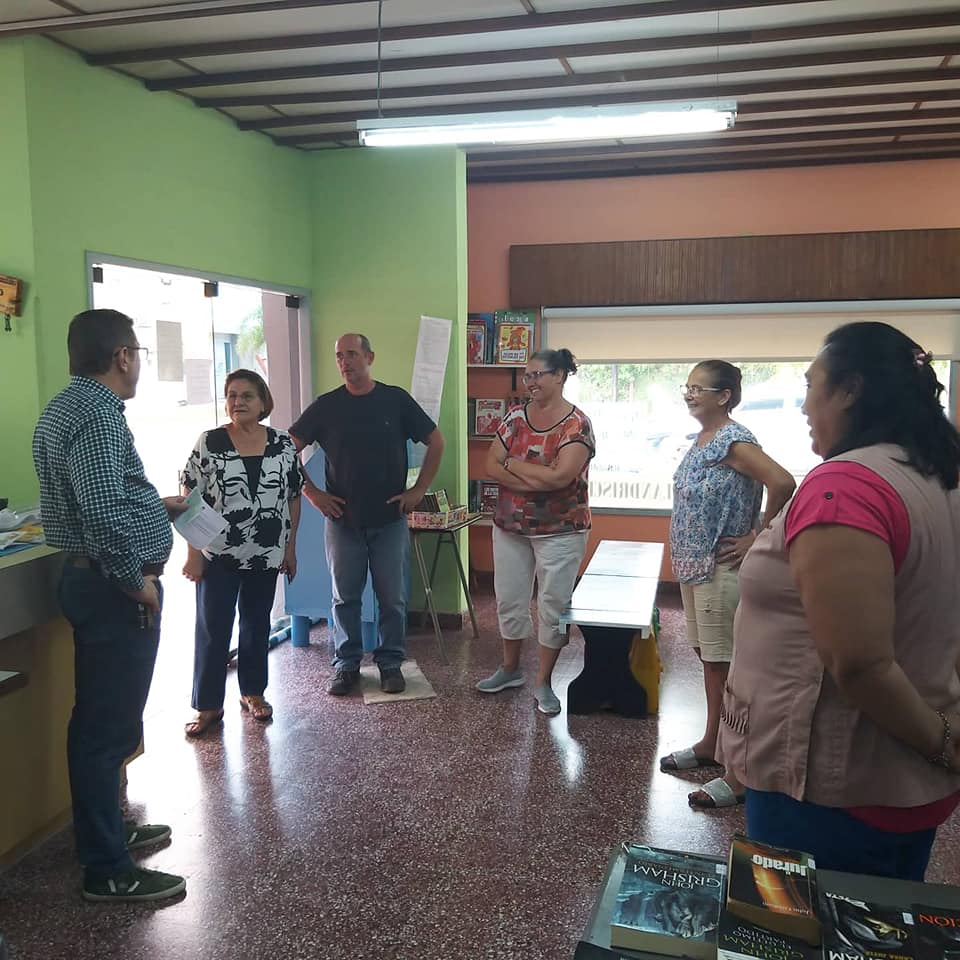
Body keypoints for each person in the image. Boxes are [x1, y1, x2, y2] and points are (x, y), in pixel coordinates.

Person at [718, 322, 960, 880]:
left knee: (804, 917)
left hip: (831, 781)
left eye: (811, 386)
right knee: (881, 915)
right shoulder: (934, 474)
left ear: (850, 390)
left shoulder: (843, 489)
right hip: (899, 773)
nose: (805, 406)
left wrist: (943, 745)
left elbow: (860, 664)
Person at [32, 309, 188, 903]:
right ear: (123, 356)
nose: (138, 362)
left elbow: (97, 498)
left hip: (93, 584)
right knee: (105, 730)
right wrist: (134, 583)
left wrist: (152, 506)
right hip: (111, 590)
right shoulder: (97, 415)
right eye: (138, 352)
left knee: (101, 722)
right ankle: (107, 868)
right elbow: (99, 511)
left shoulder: (64, 408)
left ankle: (104, 833)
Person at [660, 361, 795, 810]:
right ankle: (711, 744)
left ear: (724, 396)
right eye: (687, 386)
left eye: (699, 388)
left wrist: (760, 534)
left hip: (721, 569)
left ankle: (738, 773)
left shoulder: (734, 440)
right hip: (694, 566)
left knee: (731, 668)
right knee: (711, 661)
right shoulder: (703, 439)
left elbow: (782, 482)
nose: (689, 394)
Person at [289, 333, 444, 696]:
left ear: (370, 357)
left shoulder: (395, 400)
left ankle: (390, 663)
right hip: (342, 521)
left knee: (392, 598)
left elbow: (436, 441)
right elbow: (286, 450)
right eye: (339, 356)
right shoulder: (326, 406)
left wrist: (418, 490)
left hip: (389, 518)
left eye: (352, 354)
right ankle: (346, 665)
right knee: (345, 597)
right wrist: (312, 493)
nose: (345, 362)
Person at [180, 369, 303, 737]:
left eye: (247, 395)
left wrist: (290, 548)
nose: (238, 402)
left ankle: (253, 692)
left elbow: (293, 497)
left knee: (256, 624)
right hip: (218, 553)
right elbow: (189, 497)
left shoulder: (282, 444)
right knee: (212, 628)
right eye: (232, 395)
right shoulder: (210, 442)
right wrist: (193, 553)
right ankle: (208, 705)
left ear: (263, 401)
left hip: (266, 552)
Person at [476, 348, 595, 716]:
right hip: (510, 527)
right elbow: (491, 464)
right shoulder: (515, 417)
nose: (530, 382)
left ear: (559, 376)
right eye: (527, 376)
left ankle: (543, 682)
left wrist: (513, 465)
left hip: (560, 531)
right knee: (509, 599)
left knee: (553, 605)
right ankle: (510, 669)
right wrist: (534, 476)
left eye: (537, 375)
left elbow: (561, 477)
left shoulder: (576, 424)